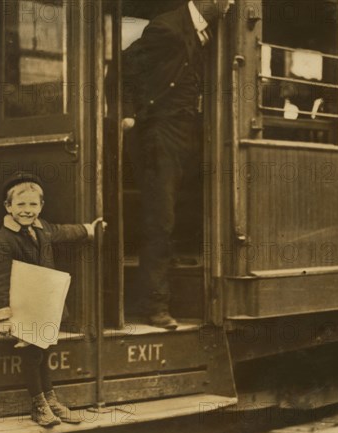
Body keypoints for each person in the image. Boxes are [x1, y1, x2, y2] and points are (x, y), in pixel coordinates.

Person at [120, 0, 230, 330]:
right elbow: (126, 66)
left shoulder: (210, 32)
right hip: (161, 130)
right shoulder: (166, 28)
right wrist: (129, 112)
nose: (230, 5)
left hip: (189, 131)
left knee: (183, 214)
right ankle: (153, 304)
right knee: (161, 217)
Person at [0, 172, 104, 427]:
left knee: (43, 351)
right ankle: (38, 404)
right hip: (21, 311)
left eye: (33, 205)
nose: (27, 210)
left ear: (41, 206)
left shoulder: (43, 229)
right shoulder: (2, 241)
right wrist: (3, 316)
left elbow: (64, 232)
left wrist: (88, 230)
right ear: (8, 207)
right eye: (21, 205)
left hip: (42, 309)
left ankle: (50, 400)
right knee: (32, 356)